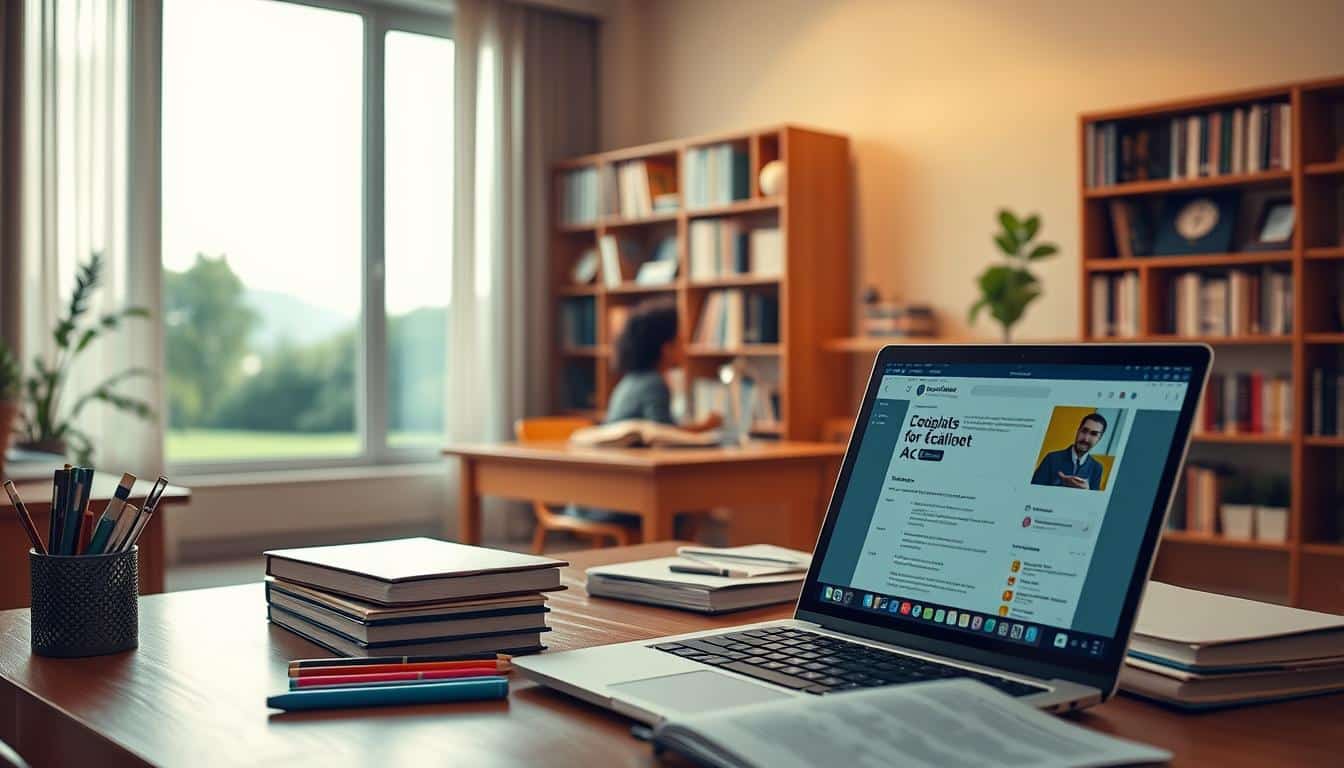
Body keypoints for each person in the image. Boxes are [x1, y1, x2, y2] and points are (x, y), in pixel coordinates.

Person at [1031, 412, 1107, 491]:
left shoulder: (1097, 468)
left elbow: (1093, 501)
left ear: (1099, 438)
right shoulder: (1052, 458)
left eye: (1094, 434)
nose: (1086, 438)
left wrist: (1087, 491)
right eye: (1084, 431)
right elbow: (1033, 491)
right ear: (1078, 430)